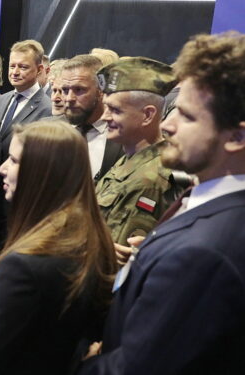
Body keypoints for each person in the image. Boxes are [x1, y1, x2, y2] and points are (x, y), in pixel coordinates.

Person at [79, 31, 245, 375]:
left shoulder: (204, 253)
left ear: (237, 137)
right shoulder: (210, 209)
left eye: (186, 116)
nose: (167, 125)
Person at [0, 120, 117, 375]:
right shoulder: (91, 234)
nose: (2, 168)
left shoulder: (24, 264)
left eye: (14, 161)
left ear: (42, 172)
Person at [94, 57, 182, 246]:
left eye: (115, 110)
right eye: (106, 107)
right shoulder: (131, 158)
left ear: (147, 115)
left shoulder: (152, 178)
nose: (104, 116)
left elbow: (117, 255)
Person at [58, 54, 124, 181]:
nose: (69, 98)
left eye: (79, 90)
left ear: (100, 91)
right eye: (65, 90)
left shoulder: (123, 136)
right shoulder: (48, 132)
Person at [0, 40, 52, 161]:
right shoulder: (2, 99)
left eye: (23, 67)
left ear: (40, 69)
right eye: (12, 66)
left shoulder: (47, 109)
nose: (15, 72)